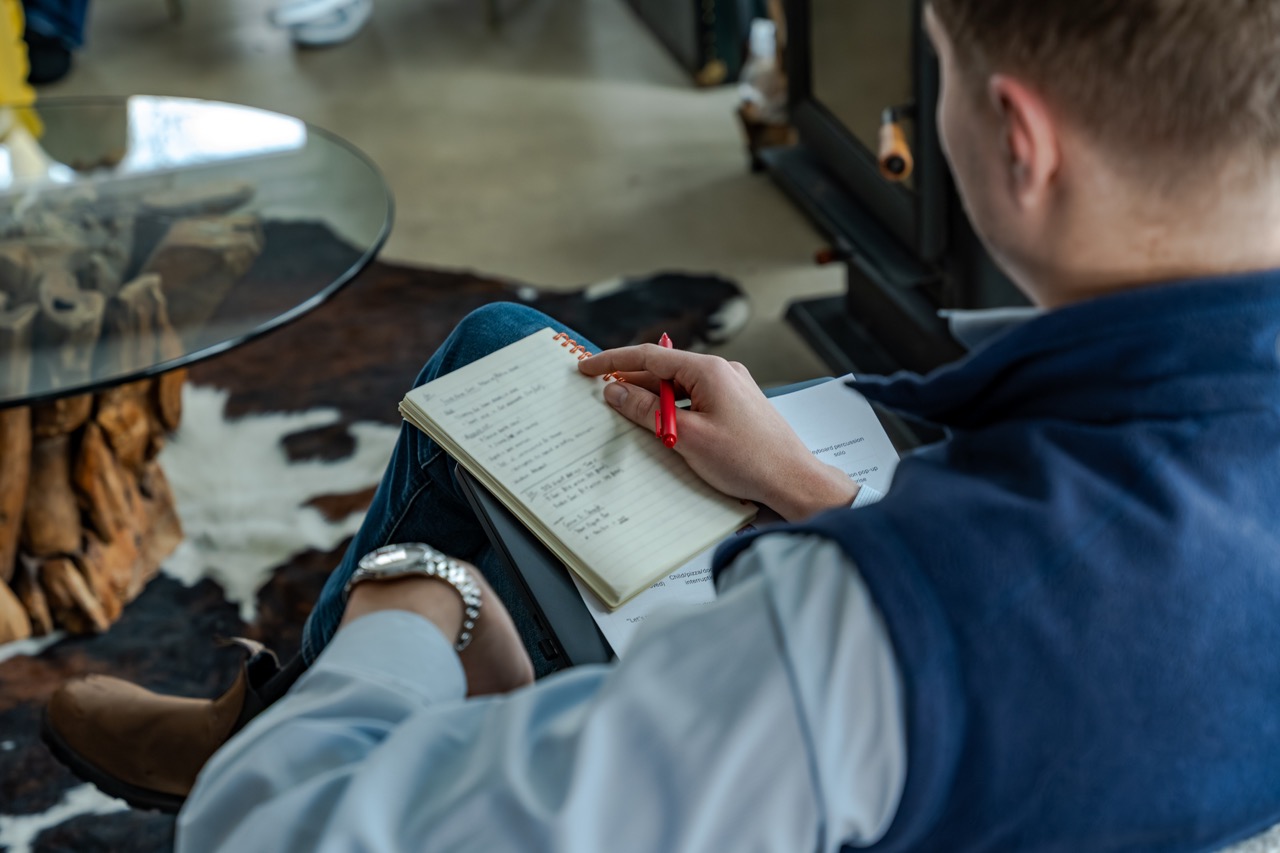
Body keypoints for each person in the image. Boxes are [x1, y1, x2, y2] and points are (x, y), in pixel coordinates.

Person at [42, 0, 1280, 849]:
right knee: (506, 355)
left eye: (940, 74)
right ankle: (296, 711)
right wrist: (805, 486)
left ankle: (294, 731)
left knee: (450, 500)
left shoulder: (871, 633)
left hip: (836, 755)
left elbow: (273, 841)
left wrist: (415, 598)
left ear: (1017, 141)